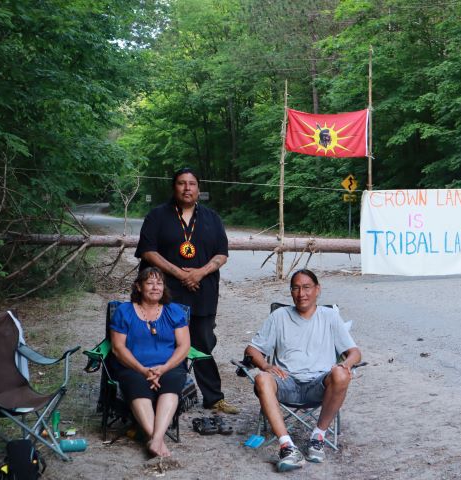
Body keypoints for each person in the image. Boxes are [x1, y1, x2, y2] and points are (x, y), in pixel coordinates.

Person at [135, 167, 238, 415]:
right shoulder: (157, 216)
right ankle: (164, 395)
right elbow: (148, 251)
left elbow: (221, 254)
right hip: (165, 294)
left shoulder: (212, 218)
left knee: (203, 344)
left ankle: (213, 398)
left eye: (192, 184)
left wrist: (198, 273)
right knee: (164, 344)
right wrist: (181, 274)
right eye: (182, 183)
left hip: (203, 291)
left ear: (198, 189)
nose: (187, 188)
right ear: (174, 187)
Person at [244, 269, 362, 472]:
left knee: (341, 374)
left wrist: (346, 364)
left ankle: (318, 436)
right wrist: (266, 365)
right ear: (291, 292)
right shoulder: (279, 316)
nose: (301, 294)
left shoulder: (330, 317)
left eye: (307, 287)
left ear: (317, 289)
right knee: (262, 378)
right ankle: (287, 447)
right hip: (286, 382)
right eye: (296, 288)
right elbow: (252, 350)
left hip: (319, 384)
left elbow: (354, 352)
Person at [109, 267, 190, 458]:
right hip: (133, 367)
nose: (156, 287)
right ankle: (158, 440)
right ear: (138, 286)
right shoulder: (124, 311)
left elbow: (184, 346)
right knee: (137, 383)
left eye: (159, 283)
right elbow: (118, 348)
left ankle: (155, 439)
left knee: (171, 382)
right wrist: (143, 370)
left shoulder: (174, 311)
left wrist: (163, 368)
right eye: (150, 283)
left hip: (168, 365)